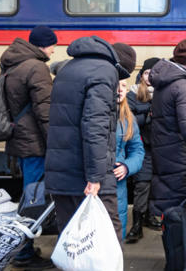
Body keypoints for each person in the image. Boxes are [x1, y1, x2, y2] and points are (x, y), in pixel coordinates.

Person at [45, 36, 136, 245]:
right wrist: (95, 178)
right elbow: (95, 128)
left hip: (61, 172)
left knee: (71, 242)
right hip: (88, 176)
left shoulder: (68, 68)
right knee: (108, 241)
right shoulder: (105, 73)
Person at [0, 25, 57, 268]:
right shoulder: (36, 67)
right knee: (33, 199)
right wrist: (54, 142)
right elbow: (45, 110)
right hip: (34, 142)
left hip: (19, 137)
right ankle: (22, 252)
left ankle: (24, 247)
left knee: (28, 194)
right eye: (53, 45)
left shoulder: (13, 63)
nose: (54, 50)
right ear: (44, 45)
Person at [148, 38, 186, 216]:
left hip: (166, 154)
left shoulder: (166, 82)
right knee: (184, 213)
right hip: (182, 159)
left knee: (171, 210)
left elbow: (172, 117)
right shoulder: (183, 86)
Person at [125, 56, 161, 243]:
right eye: (147, 72)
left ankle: (149, 217)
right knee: (142, 184)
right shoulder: (132, 95)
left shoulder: (164, 93)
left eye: (154, 73)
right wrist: (148, 114)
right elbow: (130, 123)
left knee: (156, 184)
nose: (149, 77)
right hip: (142, 148)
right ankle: (137, 224)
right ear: (141, 75)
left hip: (161, 148)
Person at [114, 78, 145, 239]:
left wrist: (127, 166)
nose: (120, 90)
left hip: (118, 184)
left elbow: (137, 150)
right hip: (95, 184)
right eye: (116, 85)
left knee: (116, 233)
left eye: (124, 86)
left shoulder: (128, 118)